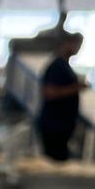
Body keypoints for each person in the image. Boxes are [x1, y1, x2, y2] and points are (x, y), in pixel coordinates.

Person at [37, 32, 84, 162]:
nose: (78, 49)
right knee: (53, 163)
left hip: (61, 126)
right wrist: (76, 88)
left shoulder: (65, 66)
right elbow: (49, 92)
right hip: (54, 126)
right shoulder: (57, 66)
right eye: (77, 45)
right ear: (67, 43)